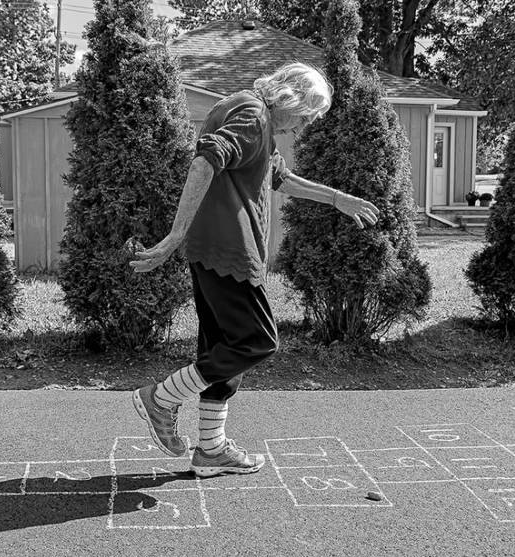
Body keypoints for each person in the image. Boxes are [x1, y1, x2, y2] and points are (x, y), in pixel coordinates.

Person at [128, 62, 379, 478]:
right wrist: (174, 236)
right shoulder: (253, 114)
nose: (304, 125)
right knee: (256, 343)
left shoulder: (251, 117)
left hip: (217, 251)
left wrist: (337, 198)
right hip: (229, 249)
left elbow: (280, 177)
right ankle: (162, 398)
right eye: (306, 115)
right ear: (290, 99)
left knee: (221, 355)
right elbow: (204, 161)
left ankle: (210, 450)